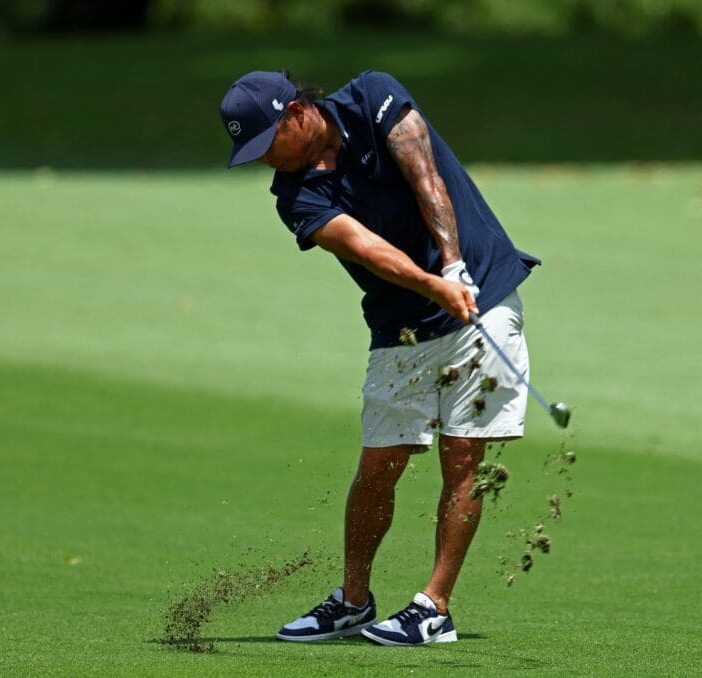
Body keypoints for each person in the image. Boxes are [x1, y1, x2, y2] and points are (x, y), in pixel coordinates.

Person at [219, 69, 539, 646]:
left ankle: (434, 607)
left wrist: (453, 264)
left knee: (463, 455)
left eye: (267, 144)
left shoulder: (372, 97)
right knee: (378, 466)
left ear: (294, 114)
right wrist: (434, 283)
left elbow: (425, 174)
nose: (265, 161)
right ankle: (354, 600)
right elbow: (365, 248)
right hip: (404, 322)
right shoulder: (294, 194)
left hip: (481, 292)